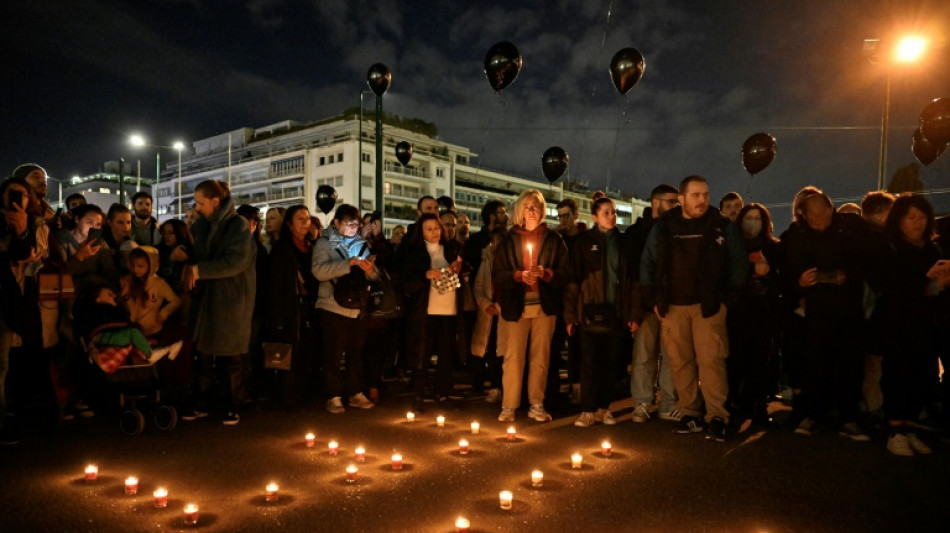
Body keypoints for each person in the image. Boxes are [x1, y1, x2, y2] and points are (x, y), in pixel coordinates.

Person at [641, 176, 747, 442]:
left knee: (712, 362)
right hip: (674, 307)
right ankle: (690, 414)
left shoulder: (721, 225)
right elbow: (649, 262)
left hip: (708, 307)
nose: (702, 200)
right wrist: (654, 298)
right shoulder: (664, 226)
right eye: (696, 195)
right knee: (680, 362)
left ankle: (717, 417)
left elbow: (738, 263)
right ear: (682, 198)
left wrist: (728, 300)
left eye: (706, 195)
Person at [784, 188, 872, 442]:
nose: (821, 224)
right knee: (815, 364)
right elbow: (788, 270)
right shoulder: (796, 235)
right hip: (815, 312)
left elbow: (866, 260)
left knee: (850, 365)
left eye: (826, 218)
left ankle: (849, 418)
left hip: (849, 309)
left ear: (832, 210)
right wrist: (799, 280)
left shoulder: (850, 228)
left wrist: (848, 275)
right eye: (815, 221)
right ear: (803, 215)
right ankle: (812, 415)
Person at [868, 195, 949, 455]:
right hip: (895, 325)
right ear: (899, 220)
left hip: (925, 325)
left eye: (922, 218)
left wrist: (941, 283)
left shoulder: (932, 250)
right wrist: (923, 282)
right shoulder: (887, 247)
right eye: (911, 217)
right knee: (896, 376)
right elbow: (885, 286)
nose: (917, 223)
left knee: (920, 377)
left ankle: (910, 428)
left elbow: (934, 292)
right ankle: (895, 431)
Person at [493, 190, 568, 423]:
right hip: (517, 307)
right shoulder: (509, 240)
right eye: (528, 206)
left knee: (541, 358)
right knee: (513, 358)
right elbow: (497, 274)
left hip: (544, 308)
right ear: (520, 211)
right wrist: (518, 275)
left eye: (536, 206)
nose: (532, 210)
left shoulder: (554, 240)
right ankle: (509, 405)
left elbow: (566, 273)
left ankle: (537, 404)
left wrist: (546, 273)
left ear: (543, 209)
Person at [186, 180, 256, 426]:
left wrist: (199, 270)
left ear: (215, 201)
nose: (197, 207)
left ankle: (233, 405)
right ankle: (202, 402)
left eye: (201, 203)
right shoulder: (201, 225)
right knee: (204, 353)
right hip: (208, 297)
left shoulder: (238, 226)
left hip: (232, 298)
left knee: (232, 356)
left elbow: (236, 262)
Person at [564, 196, 630, 427]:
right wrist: (571, 315)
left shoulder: (622, 242)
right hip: (589, 311)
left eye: (613, 212)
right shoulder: (584, 243)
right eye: (606, 213)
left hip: (615, 310)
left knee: (611, 363)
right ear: (594, 217)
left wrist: (630, 313)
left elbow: (629, 279)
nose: (611, 216)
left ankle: (604, 408)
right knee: (589, 362)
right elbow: (573, 280)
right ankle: (587, 410)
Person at [312, 204, 377, 414]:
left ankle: (355, 393)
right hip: (332, 305)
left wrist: (369, 271)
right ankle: (333, 396)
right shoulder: (323, 243)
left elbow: (375, 275)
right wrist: (347, 264)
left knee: (355, 353)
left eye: (356, 224)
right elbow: (319, 271)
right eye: (348, 224)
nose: (352, 228)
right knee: (333, 353)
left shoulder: (362, 244)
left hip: (357, 306)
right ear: (336, 222)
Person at [401, 212, 467, 412]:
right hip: (425, 311)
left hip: (449, 309)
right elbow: (405, 281)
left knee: (446, 355)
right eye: (429, 229)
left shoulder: (451, 248)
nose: (434, 232)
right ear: (421, 232)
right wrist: (425, 275)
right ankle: (419, 395)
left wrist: (459, 268)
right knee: (423, 354)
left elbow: (464, 269)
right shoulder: (414, 252)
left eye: (437, 228)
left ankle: (443, 394)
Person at [626, 184, 681, 423]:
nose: (675, 207)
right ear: (656, 202)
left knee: (671, 357)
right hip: (646, 304)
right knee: (643, 356)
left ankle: (668, 403)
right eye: (671, 202)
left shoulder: (677, 229)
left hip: (672, 302)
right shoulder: (638, 232)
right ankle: (642, 402)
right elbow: (633, 272)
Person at [727, 203, 782, 427]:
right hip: (738, 312)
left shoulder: (774, 247)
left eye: (757, 218)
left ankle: (759, 407)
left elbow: (783, 279)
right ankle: (736, 405)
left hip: (764, 313)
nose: (753, 222)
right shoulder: (733, 246)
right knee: (735, 360)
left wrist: (768, 274)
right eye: (748, 217)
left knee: (760, 361)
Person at [264, 205, 320, 408]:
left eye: (307, 218)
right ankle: (288, 396)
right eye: (300, 219)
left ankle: (303, 394)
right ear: (289, 223)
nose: (305, 222)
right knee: (289, 354)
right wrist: (276, 316)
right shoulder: (283, 249)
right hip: (290, 308)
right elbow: (275, 284)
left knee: (307, 351)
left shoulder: (311, 246)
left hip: (308, 307)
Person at [551, 199, 587, 405]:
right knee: (555, 345)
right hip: (559, 297)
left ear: (576, 214)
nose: (563, 220)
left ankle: (577, 386)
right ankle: (555, 390)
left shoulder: (584, 238)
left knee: (577, 346)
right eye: (560, 215)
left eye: (566, 215)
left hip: (579, 297)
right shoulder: (556, 238)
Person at [470, 228, 507, 403]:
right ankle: (489, 386)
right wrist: (485, 304)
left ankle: (499, 386)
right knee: (486, 349)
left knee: (501, 352)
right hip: (487, 313)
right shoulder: (487, 260)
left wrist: (500, 306)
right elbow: (478, 286)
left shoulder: (510, 262)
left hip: (504, 313)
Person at [464, 199, 508, 278]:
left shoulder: (506, 239)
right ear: (492, 217)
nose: (506, 216)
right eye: (502, 213)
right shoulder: (475, 241)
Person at [103, 203, 138, 275]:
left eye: (128, 222)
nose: (126, 226)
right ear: (109, 222)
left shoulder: (131, 242)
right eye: (120, 222)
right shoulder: (103, 243)